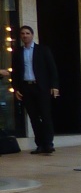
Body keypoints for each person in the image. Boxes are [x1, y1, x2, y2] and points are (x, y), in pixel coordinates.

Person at [11, 25, 60, 155]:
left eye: (27, 33)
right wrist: (16, 89)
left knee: (45, 115)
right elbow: (15, 72)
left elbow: (52, 69)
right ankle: (40, 144)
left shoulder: (43, 50)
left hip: (41, 87)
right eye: (22, 33)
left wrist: (54, 86)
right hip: (26, 87)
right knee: (33, 117)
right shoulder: (17, 52)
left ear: (32, 35)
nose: (25, 35)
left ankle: (49, 144)